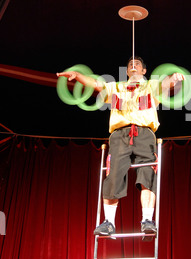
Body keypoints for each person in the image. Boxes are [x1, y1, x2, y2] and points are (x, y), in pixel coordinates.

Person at [57, 57, 183, 238]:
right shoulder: (116, 87)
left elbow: (166, 83)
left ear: (144, 71)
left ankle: (147, 219)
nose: (133, 65)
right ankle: (109, 223)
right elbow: (96, 84)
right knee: (113, 175)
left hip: (144, 133)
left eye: (137, 64)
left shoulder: (151, 86)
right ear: (126, 71)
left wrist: (175, 77)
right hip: (119, 135)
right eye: (130, 64)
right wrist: (77, 76)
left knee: (148, 173)